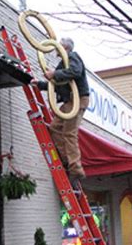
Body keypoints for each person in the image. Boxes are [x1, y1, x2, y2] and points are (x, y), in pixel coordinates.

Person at [32, 37, 90, 182]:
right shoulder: (63, 63)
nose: (56, 50)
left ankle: (75, 169)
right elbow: (57, 85)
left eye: (58, 46)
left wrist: (55, 74)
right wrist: (39, 84)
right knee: (55, 128)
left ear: (64, 48)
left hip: (77, 99)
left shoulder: (73, 57)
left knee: (69, 133)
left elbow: (75, 72)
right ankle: (67, 161)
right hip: (69, 101)